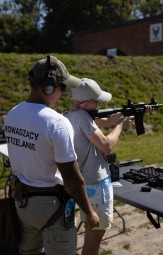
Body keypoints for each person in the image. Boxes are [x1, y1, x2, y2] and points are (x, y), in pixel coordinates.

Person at [4, 56, 99, 255]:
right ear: (49, 87)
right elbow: (72, 179)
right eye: (61, 88)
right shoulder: (56, 122)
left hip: (22, 202)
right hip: (52, 205)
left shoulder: (12, 114)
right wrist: (89, 213)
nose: (63, 93)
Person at [64, 78, 132, 255]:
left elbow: (100, 122)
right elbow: (107, 145)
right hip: (96, 184)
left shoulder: (69, 115)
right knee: (94, 240)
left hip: (86, 184)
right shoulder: (83, 118)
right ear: (86, 104)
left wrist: (116, 118)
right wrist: (120, 126)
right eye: (97, 102)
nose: (100, 106)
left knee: (90, 232)